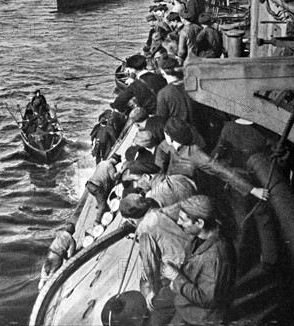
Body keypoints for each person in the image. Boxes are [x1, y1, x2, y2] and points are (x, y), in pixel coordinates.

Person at [212, 119, 279, 273]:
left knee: (242, 223)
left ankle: (239, 267)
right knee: (264, 218)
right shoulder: (264, 130)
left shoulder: (229, 127)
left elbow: (217, 153)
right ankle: (270, 261)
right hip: (261, 180)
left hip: (239, 183)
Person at [119, 193, 193, 325]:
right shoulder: (158, 212)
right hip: (192, 254)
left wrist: (153, 292)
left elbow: (150, 267)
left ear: (131, 219)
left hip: (182, 271)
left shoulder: (143, 230)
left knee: (152, 301)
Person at [163, 195, 237, 326]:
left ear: (199, 223)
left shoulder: (215, 256)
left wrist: (176, 277)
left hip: (202, 317)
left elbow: (206, 298)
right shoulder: (202, 237)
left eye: (182, 219)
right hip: (189, 307)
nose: (179, 223)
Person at [38, 222, 76, 290]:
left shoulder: (60, 233)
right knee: (51, 275)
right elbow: (71, 253)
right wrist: (67, 259)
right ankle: (47, 290)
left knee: (44, 275)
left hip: (50, 254)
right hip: (58, 257)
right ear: (73, 231)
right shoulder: (71, 240)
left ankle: (40, 290)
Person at [86, 153, 122, 224]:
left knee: (103, 193)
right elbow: (113, 177)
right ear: (114, 160)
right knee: (103, 206)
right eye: (117, 162)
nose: (117, 164)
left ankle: (98, 204)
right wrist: (120, 172)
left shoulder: (102, 162)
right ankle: (97, 221)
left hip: (89, 184)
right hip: (97, 187)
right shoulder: (111, 166)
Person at [156, 56, 193, 124]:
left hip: (181, 130)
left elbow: (161, 119)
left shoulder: (163, 93)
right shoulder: (191, 84)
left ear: (163, 73)